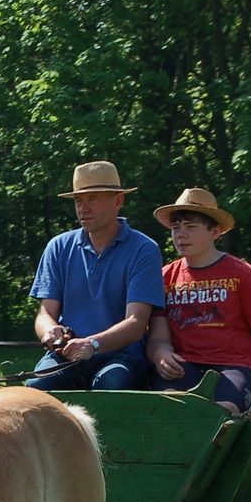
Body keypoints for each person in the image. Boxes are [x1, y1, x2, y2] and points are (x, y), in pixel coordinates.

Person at [25, 161, 165, 391]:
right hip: (67, 355)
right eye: (79, 201)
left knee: (111, 387)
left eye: (93, 199)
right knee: (36, 388)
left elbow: (136, 323)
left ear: (118, 201)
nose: (83, 208)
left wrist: (93, 344)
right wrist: (50, 330)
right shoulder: (58, 247)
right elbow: (45, 313)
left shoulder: (143, 249)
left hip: (120, 356)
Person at [144, 189, 251, 414]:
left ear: (215, 232)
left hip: (235, 366)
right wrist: (160, 354)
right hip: (184, 366)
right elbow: (158, 336)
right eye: (175, 227)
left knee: (221, 413)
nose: (181, 234)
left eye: (191, 227)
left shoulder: (241, 274)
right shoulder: (165, 277)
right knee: (169, 413)